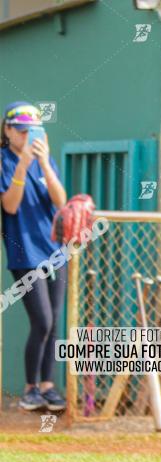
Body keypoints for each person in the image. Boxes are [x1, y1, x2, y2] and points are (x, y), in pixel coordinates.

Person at [0, 102, 68, 412]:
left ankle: (47, 386)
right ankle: (30, 388)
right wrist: (23, 165)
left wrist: (44, 163)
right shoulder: (4, 161)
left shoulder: (44, 159)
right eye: (22, 130)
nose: (28, 136)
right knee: (41, 319)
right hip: (25, 251)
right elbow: (10, 206)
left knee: (54, 321)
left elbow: (60, 200)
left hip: (54, 249)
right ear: (8, 130)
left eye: (33, 130)